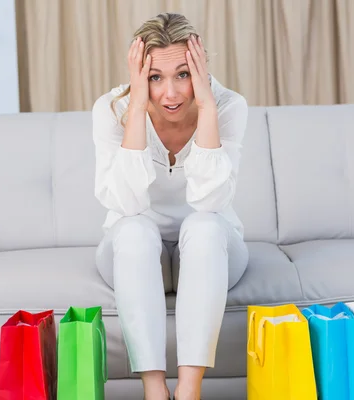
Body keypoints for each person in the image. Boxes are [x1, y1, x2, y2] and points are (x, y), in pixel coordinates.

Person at [92, 12, 249, 400]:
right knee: (133, 229)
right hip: (133, 251)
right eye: (155, 78)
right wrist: (137, 110)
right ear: (139, 75)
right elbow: (126, 204)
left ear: (200, 67)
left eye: (183, 74)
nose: (171, 94)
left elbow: (210, 202)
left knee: (205, 226)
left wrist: (208, 112)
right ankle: (155, 390)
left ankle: (190, 390)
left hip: (212, 250)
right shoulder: (112, 109)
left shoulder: (228, 106)